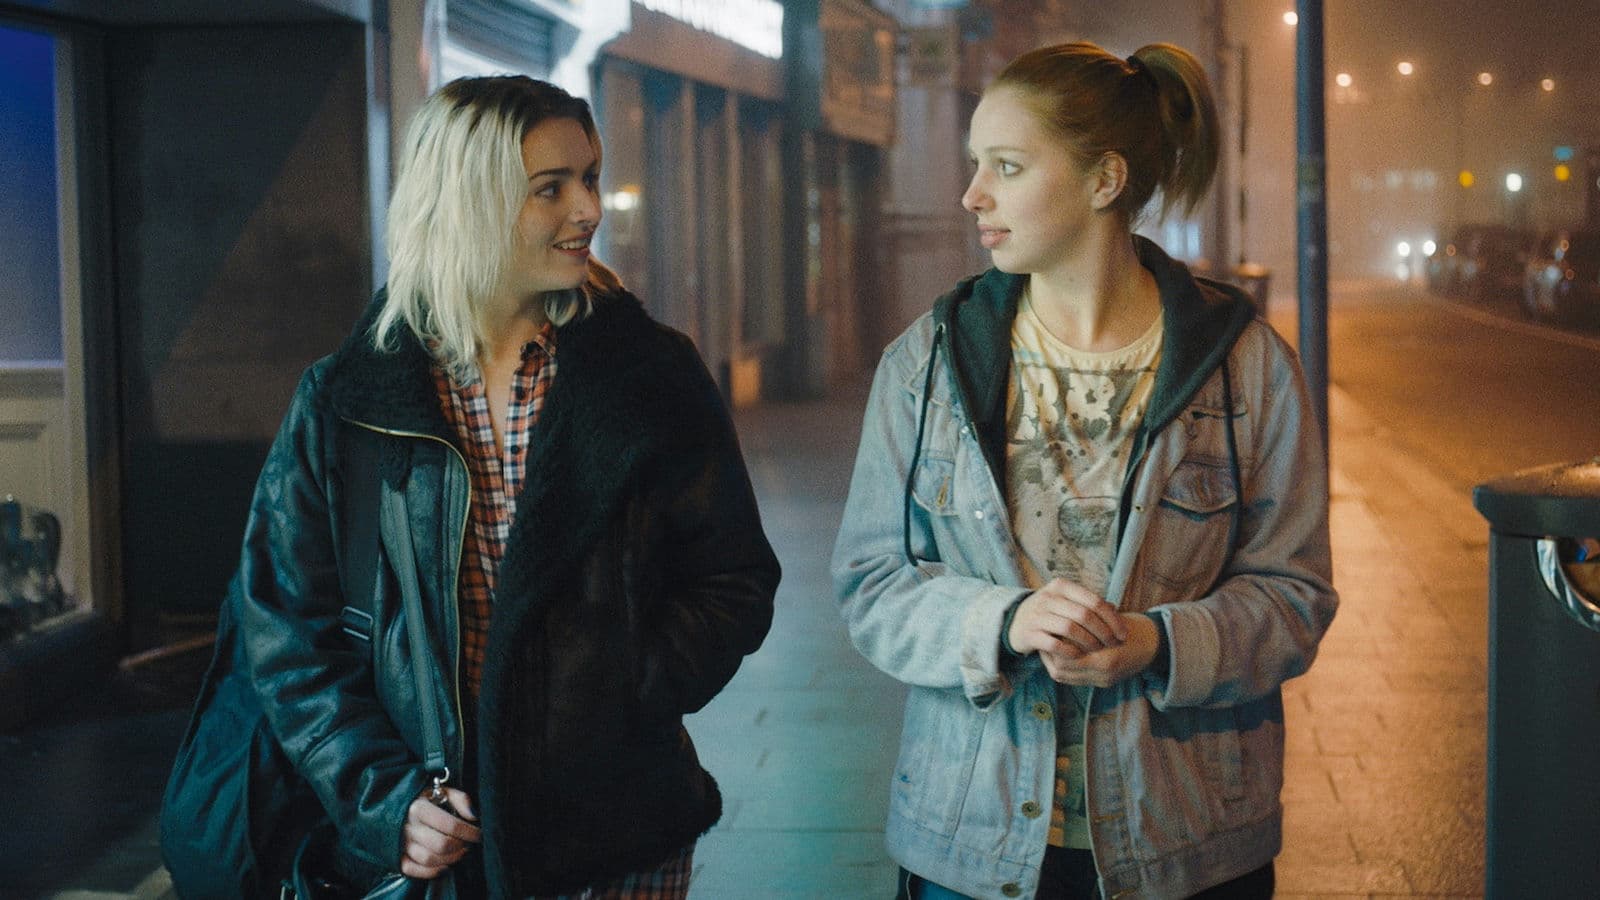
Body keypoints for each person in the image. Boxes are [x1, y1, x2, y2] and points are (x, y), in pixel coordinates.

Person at [232, 75, 779, 897]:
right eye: (549, 189)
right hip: (437, 845)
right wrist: (384, 801)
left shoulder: (649, 373)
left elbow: (733, 576)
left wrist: (626, 693)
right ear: (466, 201)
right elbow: (285, 629)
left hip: (618, 831)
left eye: (588, 177)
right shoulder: (350, 400)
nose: (588, 210)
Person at [833, 41, 1336, 900]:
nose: (973, 195)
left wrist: (1156, 643)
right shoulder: (930, 361)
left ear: (1106, 180)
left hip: (1186, 841)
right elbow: (870, 584)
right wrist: (1006, 620)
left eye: (1008, 166)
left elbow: (1295, 598)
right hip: (975, 841)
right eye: (975, 165)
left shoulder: (1244, 366)